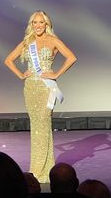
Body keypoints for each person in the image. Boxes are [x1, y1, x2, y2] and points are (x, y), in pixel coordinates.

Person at [5, 10, 77, 183]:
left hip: (46, 89)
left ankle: (39, 170)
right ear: (31, 25)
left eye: (41, 22)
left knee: (44, 124)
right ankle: (41, 169)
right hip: (30, 88)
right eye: (35, 23)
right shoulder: (27, 42)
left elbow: (71, 57)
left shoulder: (53, 41)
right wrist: (22, 75)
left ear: (47, 25)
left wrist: (56, 73)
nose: (38, 25)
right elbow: (8, 60)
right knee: (36, 127)